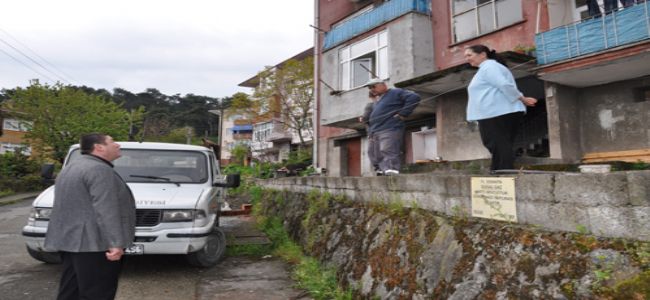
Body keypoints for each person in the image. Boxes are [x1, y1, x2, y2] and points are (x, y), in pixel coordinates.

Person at [45, 133, 136, 300]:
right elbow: (106, 208)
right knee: (98, 292)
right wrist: (115, 243)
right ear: (99, 147)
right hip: (95, 244)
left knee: (71, 291)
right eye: (112, 142)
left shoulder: (72, 167)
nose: (118, 145)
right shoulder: (99, 170)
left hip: (71, 241)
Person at [464, 45, 537, 172]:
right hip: (494, 112)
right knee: (497, 144)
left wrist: (522, 99)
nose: (467, 59)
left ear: (482, 55)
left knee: (497, 143)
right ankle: (498, 171)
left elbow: (504, 85)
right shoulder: (486, 68)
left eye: (469, 55)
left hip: (497, 112)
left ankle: (503, 172)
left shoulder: (489, 67)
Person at [364, 78, 421, 175]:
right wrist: (370, 132)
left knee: (387, 149)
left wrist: (403, 113)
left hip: (390, 127)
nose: (371, 89)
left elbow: (414, 97)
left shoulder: (395, 92)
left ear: (383, 85)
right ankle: (382, 170)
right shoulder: (378, 100)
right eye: (369, 88)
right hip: (375, 131)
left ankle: (392, 169)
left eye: (373, 86)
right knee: (374, 153)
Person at [360, 91, 381, 175]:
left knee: (372, 151)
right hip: (388, 131)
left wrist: (362, 119)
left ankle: (379, 168)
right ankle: (385, 168)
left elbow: (365, 118)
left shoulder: (370, 105)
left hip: (374, 132)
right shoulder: (387, 105)